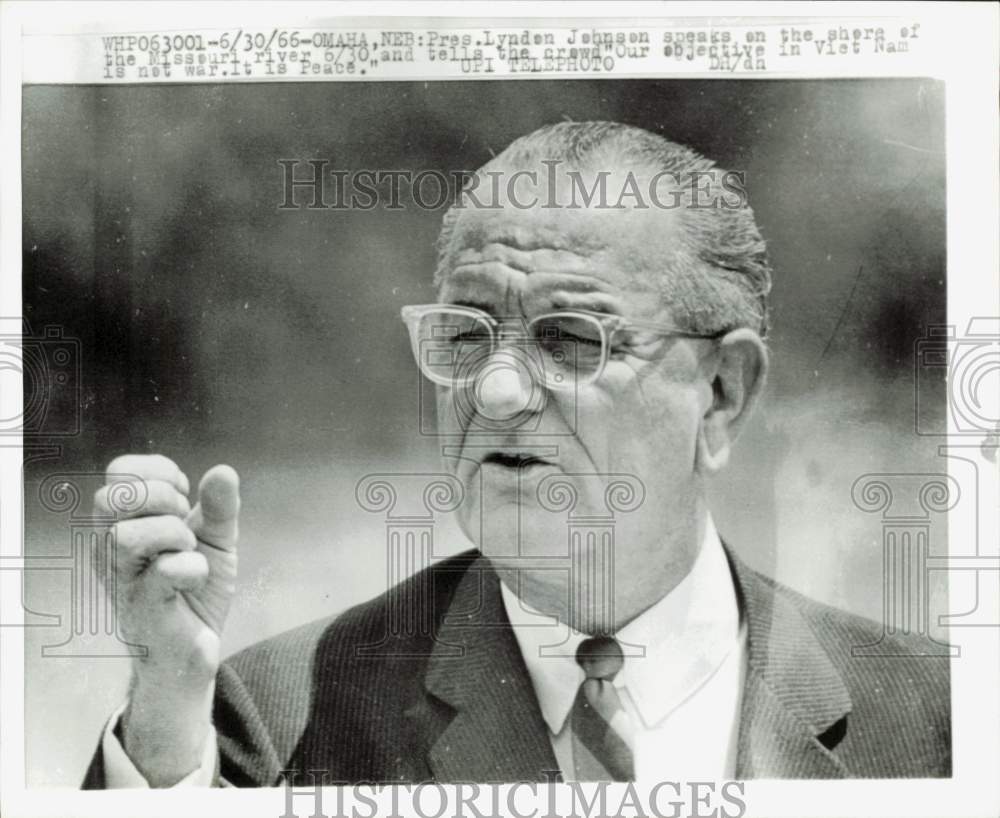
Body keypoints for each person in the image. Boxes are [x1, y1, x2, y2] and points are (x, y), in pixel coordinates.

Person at [83, 121, 950, 788]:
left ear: (721, 393)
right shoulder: (279, 716)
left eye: (569, 339)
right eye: (464, 335)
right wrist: (164, 713)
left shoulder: (934, 720)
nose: (494, 393)